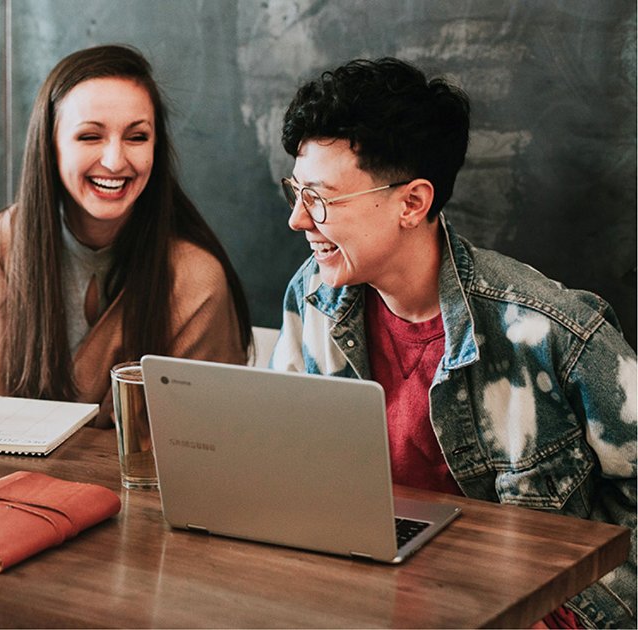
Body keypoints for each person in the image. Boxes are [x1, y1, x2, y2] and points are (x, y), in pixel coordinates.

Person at [270, 58, 636, 628]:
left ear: (412, 203)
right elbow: (284, 462)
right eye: (296, 191)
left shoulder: (552, 331)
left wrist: (568, 616)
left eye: (320, 198)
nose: (297, 219)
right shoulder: (313, 294)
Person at [0, 45, 253, 424]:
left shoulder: (196, 280)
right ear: (51, 146)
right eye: (90, 137)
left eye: (137, 137)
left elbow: (211, 442)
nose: (115, 161)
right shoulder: (2, 243)